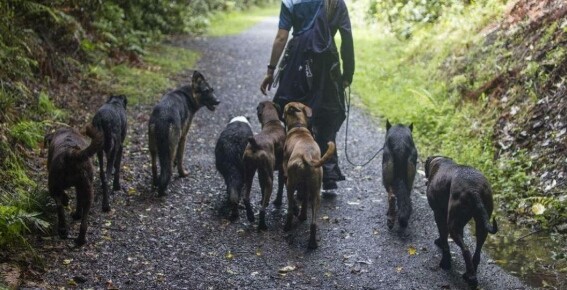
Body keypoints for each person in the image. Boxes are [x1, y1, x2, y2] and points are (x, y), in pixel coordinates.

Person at [260, 0, 354, 192]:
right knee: (327, 114)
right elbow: (346, 38)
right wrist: (347, 73)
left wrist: (271, 71)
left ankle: (293, 167)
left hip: (297, 61)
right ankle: (327, 172)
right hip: (328, 64)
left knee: (294, 116)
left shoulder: (291, 1)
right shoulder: (336, 2)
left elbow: (281, 37)